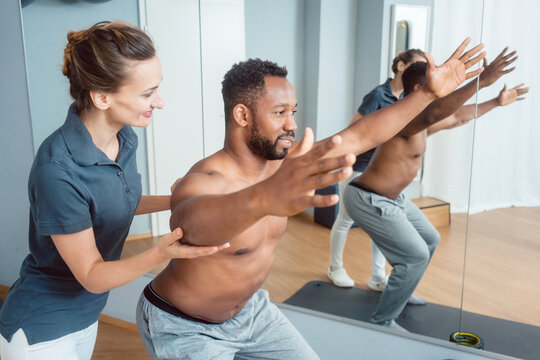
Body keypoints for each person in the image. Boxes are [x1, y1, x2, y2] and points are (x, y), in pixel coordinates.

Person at [136, 39, 485, 359]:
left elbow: (359, 135)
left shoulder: (281, 167)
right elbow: (190, 224)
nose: (292, 124)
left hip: (251, 313)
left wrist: (424, 96)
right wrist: (264, 198)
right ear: (242, 115)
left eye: (294, 111)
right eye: (279, 113)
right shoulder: (207, 178)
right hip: (186, 325)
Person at [0, 21, 227, 360]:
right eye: (147, 93)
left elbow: (117, 201)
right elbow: (91, 275)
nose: (159, 102)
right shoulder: (57, 171)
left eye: (157, 89)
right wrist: (161, 252)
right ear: (102, 97)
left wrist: (181, 200)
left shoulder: (124, 139)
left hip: (85, 318)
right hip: (39, 330)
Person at [342, 48, 527, 331]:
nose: (445, 87)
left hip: (393, 199)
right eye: (439, 81)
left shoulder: (421, 118)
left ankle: (400, 290)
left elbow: (458, 116)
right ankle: (382, 322)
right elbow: (437, 113)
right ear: (419, 89)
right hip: (369, 199)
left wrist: (496, 101)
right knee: (414, 257)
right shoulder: (401, 116)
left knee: (429, 240)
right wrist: (481, 81)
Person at [328, 49, 427, 290]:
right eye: (416, 66)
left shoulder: (411, 100)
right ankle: (335, 268)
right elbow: (354, 130)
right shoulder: (377, 96)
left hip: (384, 173)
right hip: (361, 170)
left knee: (381, 229)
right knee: (345, 220)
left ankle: (377, 275)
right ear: (402, 66)